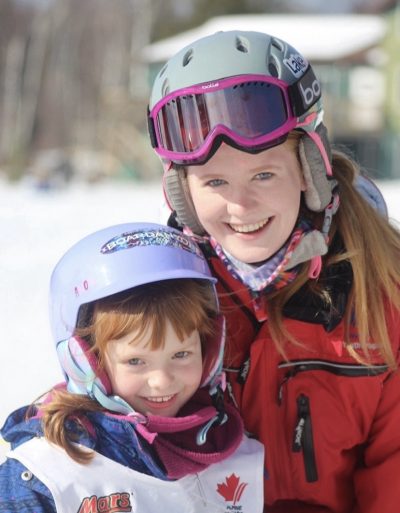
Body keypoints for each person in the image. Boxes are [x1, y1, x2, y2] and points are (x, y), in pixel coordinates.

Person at [147, 30, 400, 513]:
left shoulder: (383, 301)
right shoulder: (162, 299)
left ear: (310, 170)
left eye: (264, 174)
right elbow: (104, 418)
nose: (240, 205)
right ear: (183, 195)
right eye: (215, 181)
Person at [0, 222, 264, 513]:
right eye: (135, 361)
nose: (162, 382)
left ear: (210, 349)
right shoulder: (50, 475)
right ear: (85, 360)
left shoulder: (237, 451)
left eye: (181, 354)